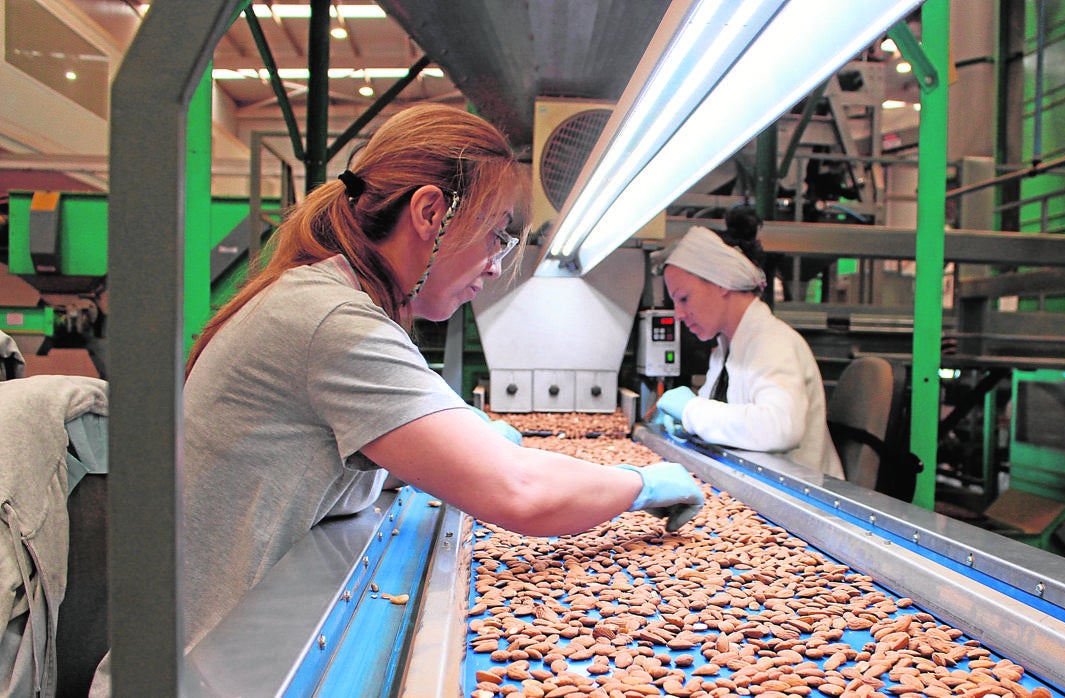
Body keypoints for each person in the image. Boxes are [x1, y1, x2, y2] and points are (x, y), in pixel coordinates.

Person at [89, 104, 702, 693]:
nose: (494, 266)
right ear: (431, 211)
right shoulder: (334, 320)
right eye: (497, 237)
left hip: (218, 656)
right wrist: (639, 485)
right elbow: (519, 493)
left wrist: (456, 446)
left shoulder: (327, 297)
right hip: (195, 676)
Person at [654, 221, 844, 479]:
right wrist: (691, 424)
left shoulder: (773, 341)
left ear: (721, 281)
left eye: (684, 298)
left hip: (799, 499)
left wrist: (691, 412)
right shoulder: (725, 350)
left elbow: (781, 427)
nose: (678, 314)